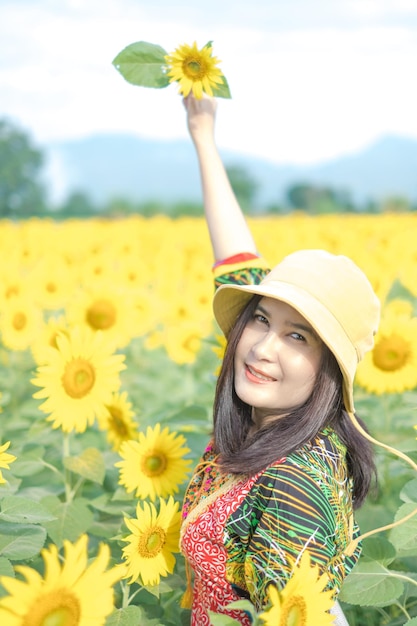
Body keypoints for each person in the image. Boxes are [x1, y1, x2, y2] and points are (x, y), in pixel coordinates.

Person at [179, 93, 381, 626]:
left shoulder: (293, 483)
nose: (264, 347)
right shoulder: (266, 427)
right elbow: (237, 262)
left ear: (328, 371)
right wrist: (203, 133)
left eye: (299, 338)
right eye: (262, 320)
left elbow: (303, 615)